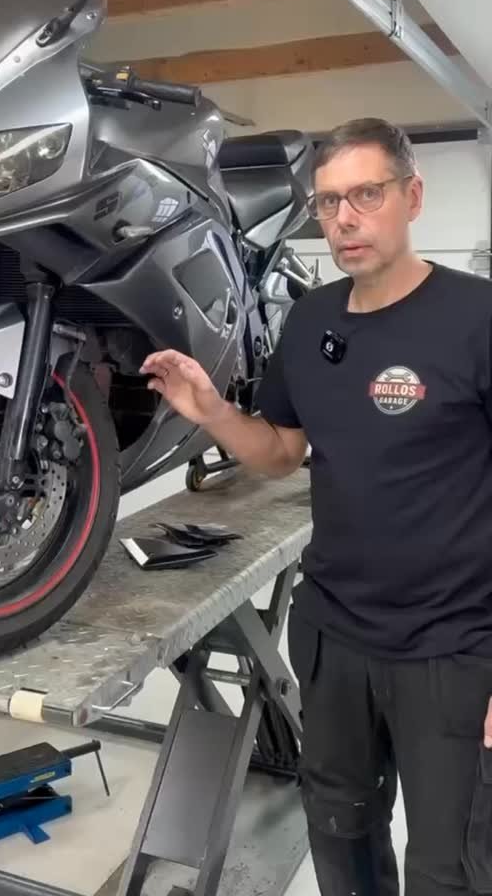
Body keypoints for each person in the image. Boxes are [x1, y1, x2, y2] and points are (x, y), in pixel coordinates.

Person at [140, 118, 492, 896]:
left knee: (452, 867)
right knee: (341, 835)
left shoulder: (477, 317)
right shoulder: (312, 321)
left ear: (412, 197)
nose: (344, 219)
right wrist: (211, 411)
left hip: (455, 648)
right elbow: (281, 452)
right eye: (329, 202)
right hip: (334, 636)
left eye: (366, 195)